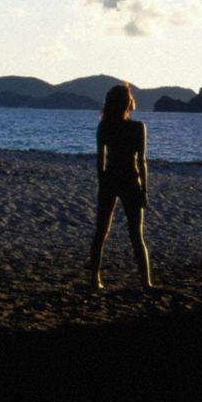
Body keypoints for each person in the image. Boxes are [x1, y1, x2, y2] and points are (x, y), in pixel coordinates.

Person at [90, 82, 157, 293]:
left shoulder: (105, 127)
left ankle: (95, 279)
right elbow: (141, 161)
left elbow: (100, 161)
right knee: (137, 235)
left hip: (110, 179)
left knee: (101, 232)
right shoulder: (137, 127)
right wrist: (144, 190)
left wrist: (103, 184)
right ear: (128, 103)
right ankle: (146, 282)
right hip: (130, 179)